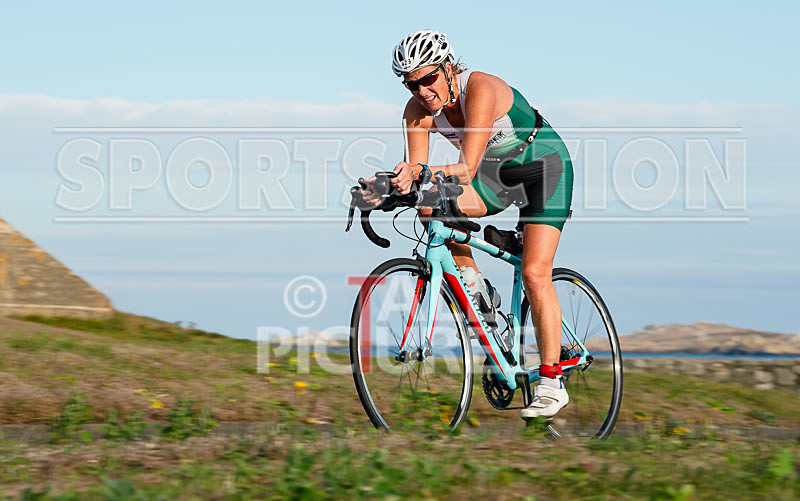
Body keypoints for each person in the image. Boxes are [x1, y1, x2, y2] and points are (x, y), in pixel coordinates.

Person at [377, 30, 574, 419]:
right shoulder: (417, 111)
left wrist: (418, 171)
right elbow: (421, 176)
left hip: (544, 171)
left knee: (535, 272)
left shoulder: (479, 89)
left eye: (427, 78)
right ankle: (476, 289)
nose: (421, 90)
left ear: (449, 68)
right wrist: (389, 184)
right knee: (429, 203)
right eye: (410, 83)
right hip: (497, 178)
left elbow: (464, 169)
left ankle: (552, 382)